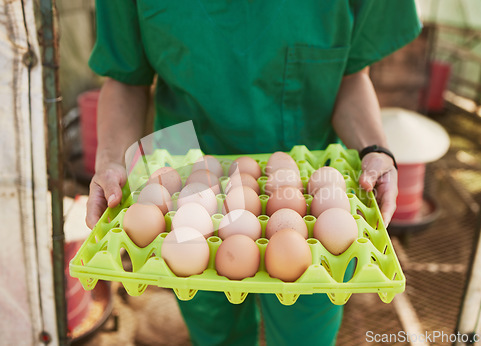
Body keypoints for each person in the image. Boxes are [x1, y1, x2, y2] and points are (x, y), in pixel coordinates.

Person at [85, 1, 421, 344]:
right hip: (188, 189)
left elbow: (352, 75)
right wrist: (112, 161)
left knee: (305, 333)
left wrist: (375, 149)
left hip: (308, 191)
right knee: (215, 331)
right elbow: (126, 77)